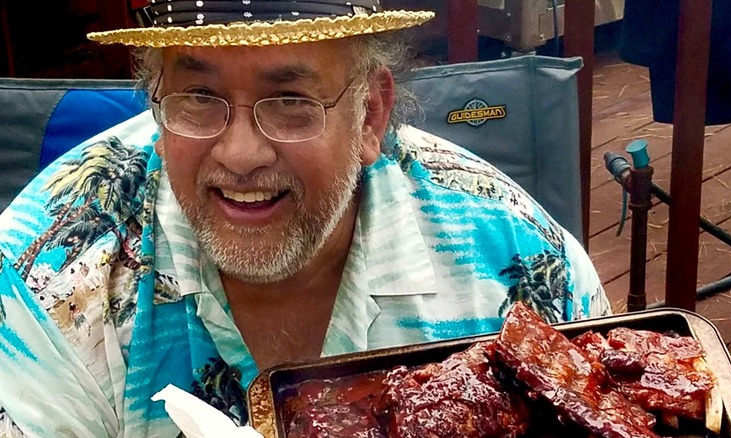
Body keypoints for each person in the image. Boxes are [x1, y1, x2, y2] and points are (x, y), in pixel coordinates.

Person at [0, 0, 610, 436]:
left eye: (291, 102)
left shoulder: (521, 267)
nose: (240, 154)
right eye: (198, 97)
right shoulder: (42, 281)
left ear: (370, 115)